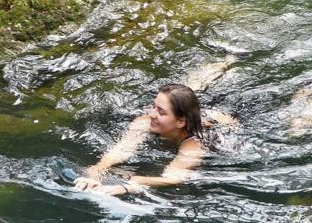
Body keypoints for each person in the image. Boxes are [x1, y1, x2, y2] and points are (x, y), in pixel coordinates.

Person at [74, 84, 215, 196]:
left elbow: (172, 178)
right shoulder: (144, 122)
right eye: (153, 107)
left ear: (180, 122)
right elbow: (119, 151)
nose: (151, 114)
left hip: (216, 122)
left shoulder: (193, 146)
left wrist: (126, 185)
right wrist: (97, 173)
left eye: (161, 112)